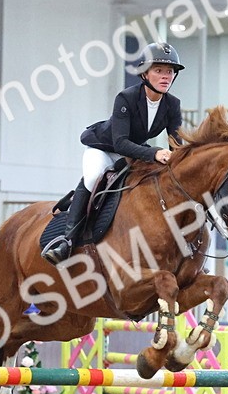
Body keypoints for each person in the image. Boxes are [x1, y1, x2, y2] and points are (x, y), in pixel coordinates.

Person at [41, 41, 185, 265]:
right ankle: (67, 241)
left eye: (169, 71)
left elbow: (177, 143)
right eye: (159, 70)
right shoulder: (126, 98)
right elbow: (120, 143)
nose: (166, 76)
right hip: (105, 148)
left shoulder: (173, 104)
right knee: (93, 177)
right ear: (145, 73)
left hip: (134, 152)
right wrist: (155, 153)